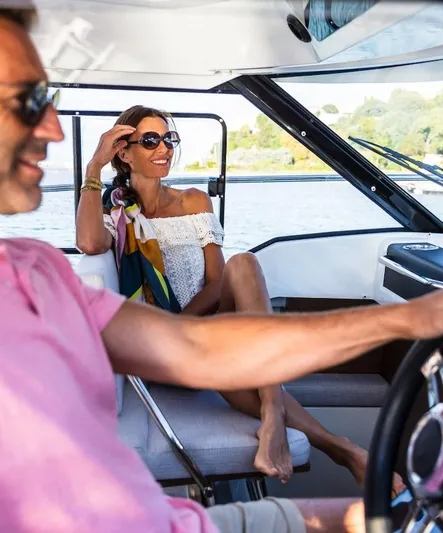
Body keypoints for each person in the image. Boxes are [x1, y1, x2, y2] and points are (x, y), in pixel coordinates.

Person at [0, 3, 443, 533]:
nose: (53, 127)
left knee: (376, 515)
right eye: (27, 99)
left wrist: (408, 316)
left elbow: (192, 346)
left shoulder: (32, 269)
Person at [75, 105, 404, 494]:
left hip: (209, 323)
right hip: (162, 348)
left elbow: (217, 283)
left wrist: (193, 324)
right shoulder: (117, 215)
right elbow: (88, 243)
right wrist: (94, 168)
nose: (164, 148)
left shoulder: (195, 200)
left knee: (244, 263)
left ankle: (275, 416)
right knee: (230, 361)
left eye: (169, 139)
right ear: (124, 153)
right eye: (150, 140)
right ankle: (340, 448)